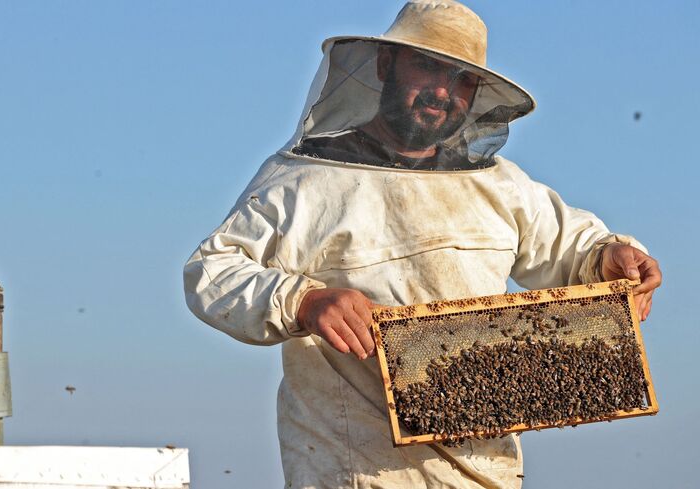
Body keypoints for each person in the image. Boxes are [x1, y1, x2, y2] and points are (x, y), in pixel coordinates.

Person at [183, 1, 662, 488]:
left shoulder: (500, 186)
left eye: (461, 79)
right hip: (351, 472)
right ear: (385, 64)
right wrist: (304, 301)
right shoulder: (305, 181)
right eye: (427, 66)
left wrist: (608, 255)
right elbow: (212, 272)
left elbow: (572, 248)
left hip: (482, 473)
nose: (442, 91)